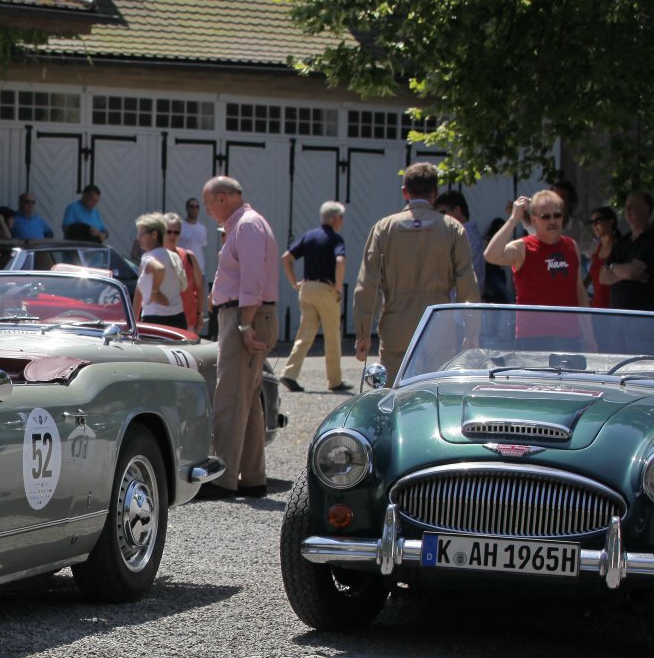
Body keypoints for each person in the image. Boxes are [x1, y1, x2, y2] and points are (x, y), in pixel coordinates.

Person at [352, 161, 478, 382]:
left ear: (405, 192)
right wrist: (472, 330)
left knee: (394, 391)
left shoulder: (384, 228)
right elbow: (467, 282)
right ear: (435, 193)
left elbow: (367, 284)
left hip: (396, 323)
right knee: (435, 390)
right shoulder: (451, 227)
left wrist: (363, 333)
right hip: (438, 325)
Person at [200, 175, 278, 499]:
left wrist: (245, 325)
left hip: (245, 316)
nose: (207, 211)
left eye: (208, 204)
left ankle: (223, 477)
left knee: (230, 398)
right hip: (246, 314)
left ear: (222, 198)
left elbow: (252, 280)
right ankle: (252, 477)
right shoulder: (245, 224)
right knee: (249, 400)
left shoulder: (246, 225)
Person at [484, 190, 589, 344]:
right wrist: (514, 219)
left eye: (557, 215)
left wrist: (590, 335)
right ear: (533, 220)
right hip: (532, 338)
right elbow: (490, 255)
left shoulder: (571, 246)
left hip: (570, 337)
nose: (552, 221)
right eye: (545, 216)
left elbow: (580, 291)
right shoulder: (522, 247)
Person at [279, 201, 348, 392]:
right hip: (326, 289)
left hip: (307, 288)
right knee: (332, 334)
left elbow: (286, 258)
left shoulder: (309, 236)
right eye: (341, 217)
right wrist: (338, 286)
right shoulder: (336, 239)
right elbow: (340, 260)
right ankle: (334, 380)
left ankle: (289, 373)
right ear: (335, 218)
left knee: (305, 334)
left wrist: (294, 283)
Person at [132, 213, 187, 328]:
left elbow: (159, 269)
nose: (138, 238)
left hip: (155, 320)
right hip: (178, 319)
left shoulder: (148, 257)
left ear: (154, 234)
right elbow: (138, 292)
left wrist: (155, 292)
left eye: (141, 233)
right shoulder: (174, 256)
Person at [601, 191, 653, 311]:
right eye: (626, 205)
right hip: (618, 315)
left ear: (646, 209)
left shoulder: (650, 238)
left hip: (644, 314)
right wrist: (624, 274)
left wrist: (613, 268)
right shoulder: (622, 242)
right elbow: (603, 277)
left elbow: (632, 272)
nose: (628, 209)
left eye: (633, 205)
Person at [162, 212, 203, 332]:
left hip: (187, 320)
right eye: (169, 231)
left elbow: (199, 288)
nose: (172, 235)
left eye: (176, 232)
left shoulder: (189, 256)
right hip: (161, 319)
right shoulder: (154, 257)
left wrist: (200, 315)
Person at [432, 189, 484, 274]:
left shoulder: (466, 236)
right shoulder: (464, 234)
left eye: (443, 212)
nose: (439, 218)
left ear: (457, 210)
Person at [587, 206, 620, 308]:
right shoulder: (598, 247)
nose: (594, 225)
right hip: (597, 306)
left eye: (598, 221)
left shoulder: (620, 247)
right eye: (592, 222)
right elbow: (593, 273)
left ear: (610, 222)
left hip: (614, 306)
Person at [178, 196, 209, 270]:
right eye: (191, 207)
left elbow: (201, 247)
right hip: (183, 266)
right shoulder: (180, 226)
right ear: (187, 208)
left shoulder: (202, 228)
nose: (194, 209)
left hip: (199, 267)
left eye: (197, 207)